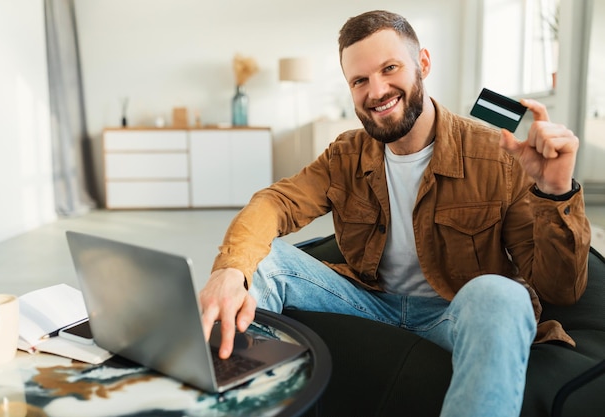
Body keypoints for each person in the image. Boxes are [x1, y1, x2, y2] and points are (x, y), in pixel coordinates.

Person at [199, 10, 591, 417]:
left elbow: (560, 289)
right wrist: (230, 271)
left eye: (390, 68)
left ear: (422, 63)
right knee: (261, 261)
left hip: (453, 313)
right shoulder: (346, 153)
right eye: (360, 80)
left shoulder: (497, 155)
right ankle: (228, 404)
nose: (378, 90)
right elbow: (276, 202)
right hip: (370, 302)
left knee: (502, 294)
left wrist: (556, 190)